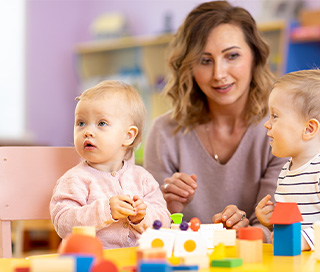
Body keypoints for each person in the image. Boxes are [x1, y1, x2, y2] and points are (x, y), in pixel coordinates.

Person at [143, 0, 287, 241]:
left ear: (255, 57)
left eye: (232, 56)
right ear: (188, 67)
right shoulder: (164, 133)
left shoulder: (280, 131)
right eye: (205, 60)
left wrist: (245, 231)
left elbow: (276, 226)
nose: (219, 74)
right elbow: (153, 228)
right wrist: (169, 208)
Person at [50, 80, 171, 249]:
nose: (88, 132)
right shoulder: (74, 179)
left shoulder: (142, 178)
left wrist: (143, 217)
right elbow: (63, 224)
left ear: (128, 136)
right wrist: (104, 211)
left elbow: (164, 221)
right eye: (81, 123)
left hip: (139, 261)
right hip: (93, 262)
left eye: (101, 123)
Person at [255, 69, 320, 250]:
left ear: (309, 129)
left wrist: (305, 239)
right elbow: (296, 224)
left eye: (275, 116)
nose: (267, 123)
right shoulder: (288, 170)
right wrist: (271, 222)